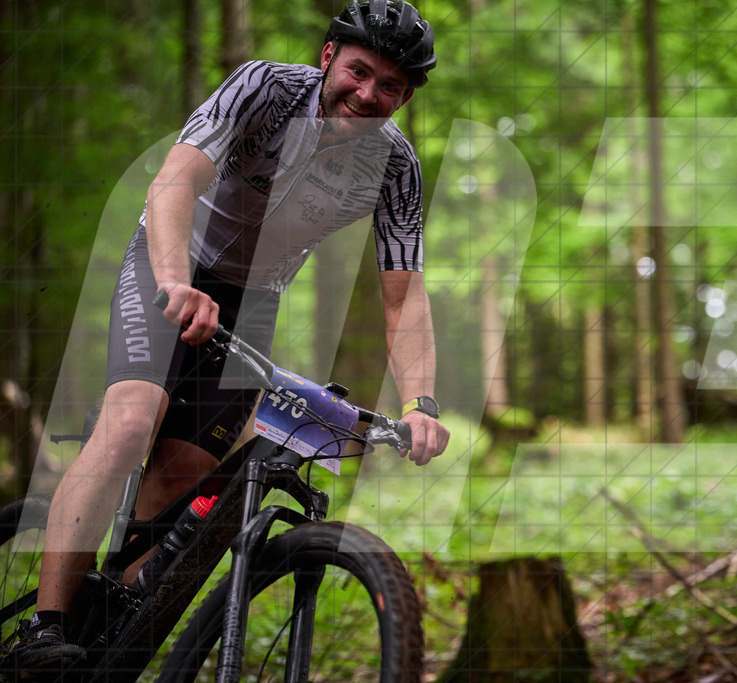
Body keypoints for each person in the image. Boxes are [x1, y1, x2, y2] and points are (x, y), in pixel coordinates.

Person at [2, 0, 449, 674]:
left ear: (406, 96)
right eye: (359, 71)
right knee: (130, 425)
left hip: (254, 300)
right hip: (170, 260)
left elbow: (404, 292)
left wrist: (421, 401)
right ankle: (44, 630)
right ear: (328, 55)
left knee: (184, 477)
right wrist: (176, 282)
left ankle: (108, 629)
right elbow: (175, 180)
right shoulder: (264, 87)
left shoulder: (395, 166)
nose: (367, 93)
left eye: (389, 86)